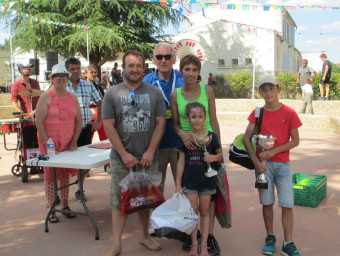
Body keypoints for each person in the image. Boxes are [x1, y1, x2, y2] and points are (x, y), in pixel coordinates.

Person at [102, 50, 166, 256]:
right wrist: (123, 154)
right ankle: (116, 244)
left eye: (138, 65)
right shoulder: (112, 94)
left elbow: (160, 123)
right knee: (118, 200)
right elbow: (109, 126)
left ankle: (144, 237)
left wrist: (150, 151)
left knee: (145, 199)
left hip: (148, 158)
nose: (135, 69)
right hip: (122, 159)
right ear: (123, 69)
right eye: (131, 66)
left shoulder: (154, 92)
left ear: (143, 68)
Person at [243, 75, 302, 256]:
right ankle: (270, 236)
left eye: (271, 88)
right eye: (264, 89)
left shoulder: (289, 112)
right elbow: (246, 138)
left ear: (279, 89)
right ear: (260, 92)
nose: (268, 92)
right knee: (267, 203)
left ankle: (288, 242)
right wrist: (255, 160)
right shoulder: (257, 113)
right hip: (263, 167)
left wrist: (274, 151)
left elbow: (295, 140)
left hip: (283, 166)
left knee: (287, 204)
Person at [170, 55, 222, 256]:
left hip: (208, 146)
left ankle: (208, 239)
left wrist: (219, 152)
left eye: (194, 69)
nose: (190, 73)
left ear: (199, 71)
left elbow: (214, 120)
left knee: (209, 200)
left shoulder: (207, 90)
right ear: (181, 71)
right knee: (190, 197)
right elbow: (175, 123)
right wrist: (182, 133)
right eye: (187, 69)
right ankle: (193, 239)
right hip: (187, 147)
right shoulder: (176, 95)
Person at [35, 64, 83, 223]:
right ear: (52, 79)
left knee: (64, 175)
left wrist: (74, 140)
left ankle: (65, 205)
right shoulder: (45, 96)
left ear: (67, 79)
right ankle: (51, 208)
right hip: (48, 143)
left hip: (67, 142)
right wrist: (47, 141)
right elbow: (39, 122)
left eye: (64, 75)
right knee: (50, 175)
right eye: (57, 76)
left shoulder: (72, 97)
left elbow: (79, 121)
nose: (61, 78)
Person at [176, 102, 223, 256]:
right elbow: (181, 162)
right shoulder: (186, 138)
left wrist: (213, 157)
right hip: (189, 182)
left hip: (207, 181)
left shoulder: (211, 136)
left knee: (204, 212)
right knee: (192, 213)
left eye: (200, 116)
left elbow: (221, 156)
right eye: (193, 116)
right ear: (188, 119)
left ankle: (204, 246)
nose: (197, 119)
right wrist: (178, 184)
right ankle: (194, 245)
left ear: (205, 118)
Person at [143, 42, 184, 194]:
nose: (163, 60)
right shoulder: (147, 81)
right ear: (154, 60)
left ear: (174, 59)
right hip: (156, 146)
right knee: (154, 190)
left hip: (179, 144)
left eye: (167, 56)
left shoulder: (182, 79)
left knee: (183, 187)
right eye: (159, 57)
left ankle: (184, 217)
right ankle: (156, 218)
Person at [65, 57, 103, 202]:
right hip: (67, 130)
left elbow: (100, 100)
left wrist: (99, 120)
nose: (76, 71)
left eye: (78, 68)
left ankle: (79, 189)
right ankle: (61, 193)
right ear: (67, 70)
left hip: (85, 128)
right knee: (64, 161)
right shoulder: (62, 85)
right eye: (72, 69)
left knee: (84, 161)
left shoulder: (88, 86)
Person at [84, 65, 108, 141]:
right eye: (91, 72)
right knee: (87, 138)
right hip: (88, 115)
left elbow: (103, 99)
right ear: (85, 74)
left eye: (95, 72)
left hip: (99, 114)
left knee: (104, 137)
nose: (94, 74)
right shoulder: (82, 86)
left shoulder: (98, 86)